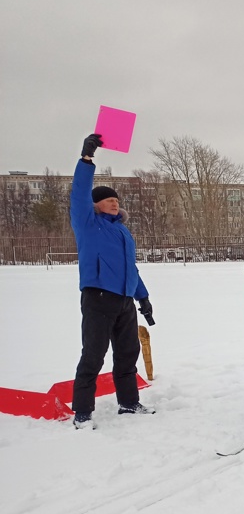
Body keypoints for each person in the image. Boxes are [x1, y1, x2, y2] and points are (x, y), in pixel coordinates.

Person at [70, 134, 155, 429]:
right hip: (98, 298)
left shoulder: (122, 232)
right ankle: (82, 413)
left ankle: (129, 403)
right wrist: (86, 159)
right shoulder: (87, 224)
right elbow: (79, 193)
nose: (115, 203)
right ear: (96, 205)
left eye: (117, 200)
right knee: (93, 354)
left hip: (123, 300)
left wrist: (142, 297)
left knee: (127, 353)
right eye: (109, 200)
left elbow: (130, 268)